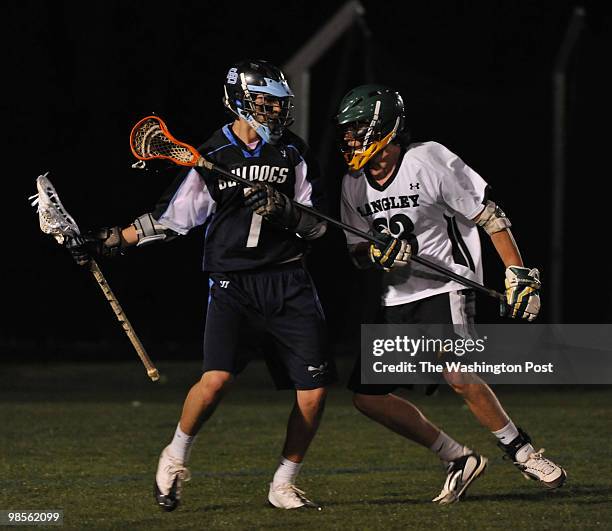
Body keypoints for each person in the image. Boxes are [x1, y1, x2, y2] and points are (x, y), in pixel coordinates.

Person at [68, 60, 335, 511]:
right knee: (215, 382)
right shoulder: (214, 155)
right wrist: (107, 240)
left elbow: (318, 228)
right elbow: (171, 221)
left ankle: (283, 484)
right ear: (241, 102)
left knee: (314, 392)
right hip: (233, 284)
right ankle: (174, 456)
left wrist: (286, 212)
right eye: (265, 102)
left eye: (278, 103)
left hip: (289, 281)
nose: (274, 111)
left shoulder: (293, 153)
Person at [334, 84, 566, 504]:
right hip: (397, 297)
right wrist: (373, 252)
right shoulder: (352, 184)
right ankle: (456, 457)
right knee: (368, 398)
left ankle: (522, 451)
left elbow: (490, 217)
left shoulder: (427, 159)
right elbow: (356, 253)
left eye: (355, 130)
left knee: (455, 371)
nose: (348, 139)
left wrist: (517, 272)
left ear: (384, 127)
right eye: (346, 132)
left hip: (447, 283)